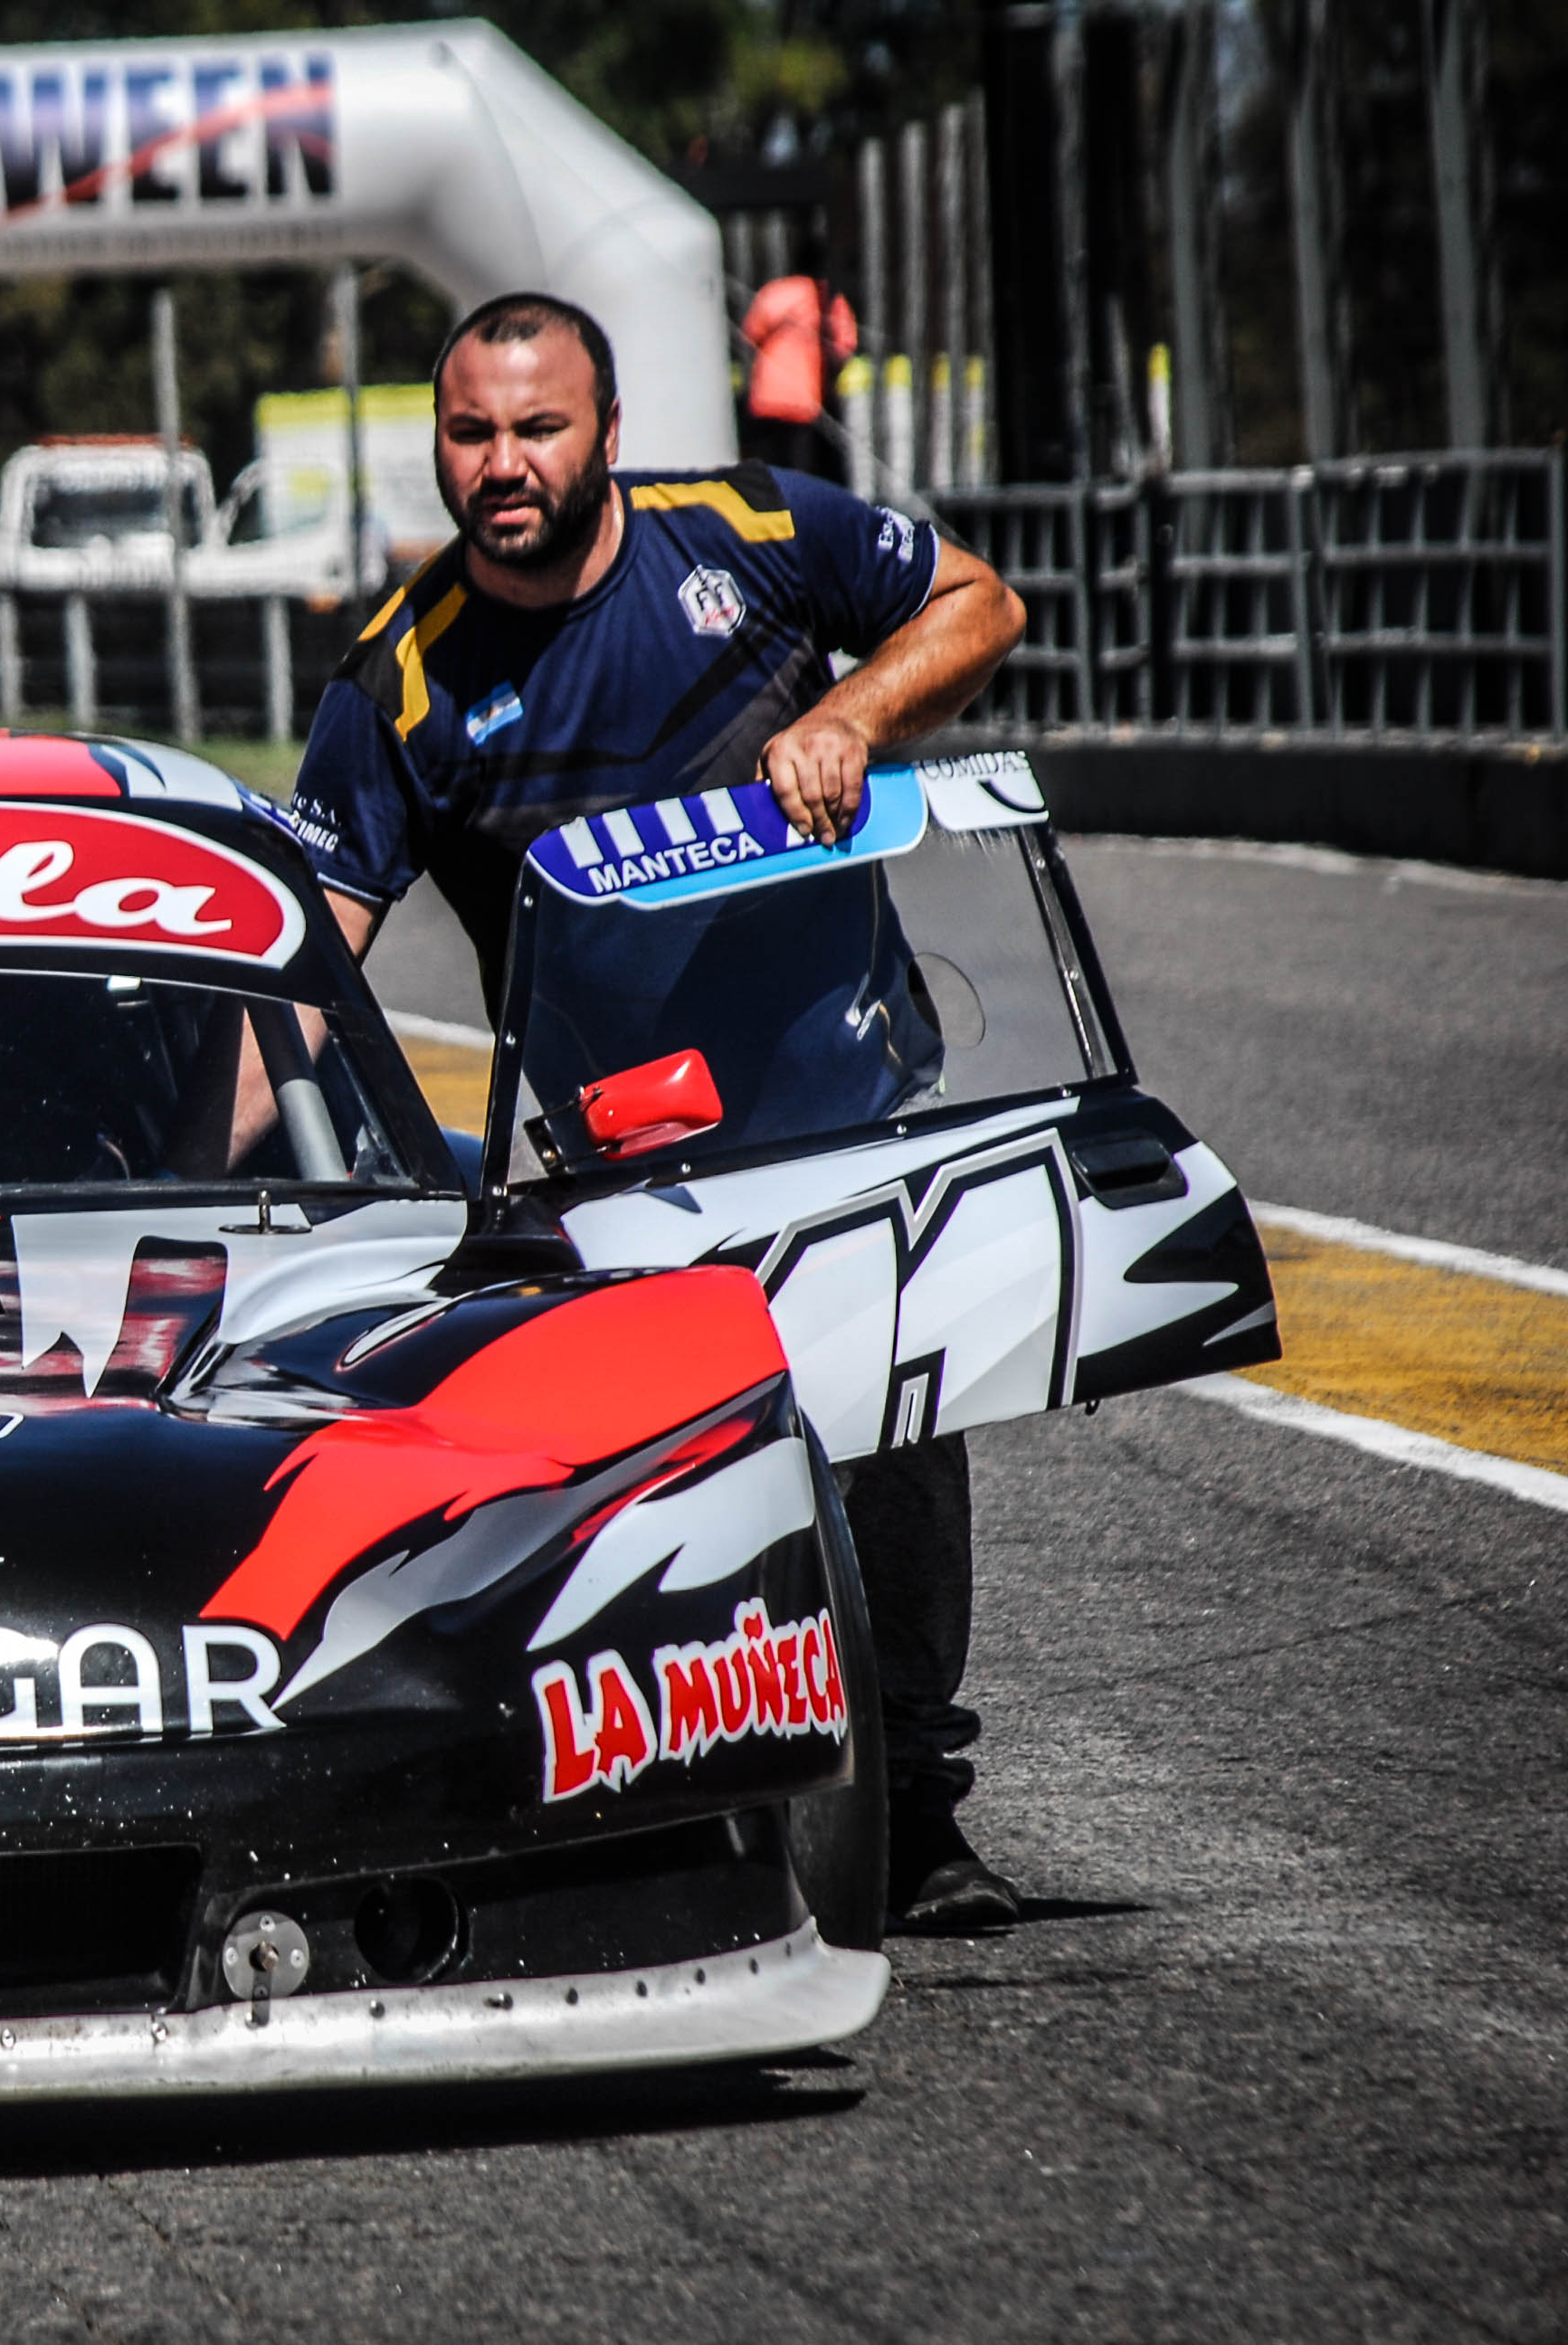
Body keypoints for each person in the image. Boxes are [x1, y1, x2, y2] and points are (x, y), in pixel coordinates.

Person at [282, 290, 1031, 1934]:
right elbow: (306, 967)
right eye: (471, 432)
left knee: (890, 1445)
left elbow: (982, 603)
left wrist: (847, 713)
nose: (504, 463)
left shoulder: (753, 534)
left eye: (537, 428)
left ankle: (915, 1813)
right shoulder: (394, 679)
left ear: (604, 432)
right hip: (628, 1176)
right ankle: (680, 1806)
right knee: (692, 1493)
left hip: (847, 1102)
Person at [738, 265, 858, 480]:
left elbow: (751, 334)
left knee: (768, 469)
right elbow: (845, 344)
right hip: (805, 399)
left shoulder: (774, 292)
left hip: (766, 398)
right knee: (802, 471)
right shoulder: (826, 298)